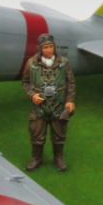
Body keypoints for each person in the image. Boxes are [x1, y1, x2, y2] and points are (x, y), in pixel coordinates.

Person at [21, 33, 76, 171]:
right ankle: (36, 159)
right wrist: (32, 95)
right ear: (40, 49)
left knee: (59, 136)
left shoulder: (63, 63)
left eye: (51, 46)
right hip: (39, 108)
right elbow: (25, 83)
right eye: (45, 47)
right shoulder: (31, 64)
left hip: (59, 107)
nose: (49, 50)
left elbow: (70, 83)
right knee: (36, 135)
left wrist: (70, 101)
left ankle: (58, 158)